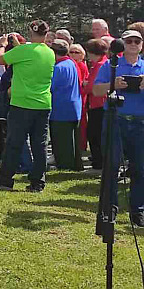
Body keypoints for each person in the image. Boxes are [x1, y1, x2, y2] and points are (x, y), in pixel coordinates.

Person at [0, 20, 55, 192]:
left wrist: (2, 44)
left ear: (31, 32)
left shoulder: (23, 50)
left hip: (22, 103)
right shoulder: (49, 53)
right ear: (46, 34)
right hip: (43, 104)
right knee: (40, 145)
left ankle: (5, 180)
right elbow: (29, 56)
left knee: (14, 143)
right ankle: (38, 182)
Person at [93, 29, 144, 225]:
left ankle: (138, 211)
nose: (132, 44)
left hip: (140, 123)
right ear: (122, 45)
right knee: (111, 166)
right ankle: (109, 208)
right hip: (116, 119)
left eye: (136, 41)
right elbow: (96, 91)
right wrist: (112, 84)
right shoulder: (111, 65)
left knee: (140, 168)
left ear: (141, 45)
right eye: (128, 41)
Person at [48, 39, 83, 171]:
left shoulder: (58, 68)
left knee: (62, 140)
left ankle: (65, 165)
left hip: (61, 109)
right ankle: (76, 164)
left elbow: (50, 86)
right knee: (73, 140)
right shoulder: (71, 63)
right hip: (74, 107)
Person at [82, 38, 109, 168]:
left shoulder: (99, 65)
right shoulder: (103, 63)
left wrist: (84, 84)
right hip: (101, 103)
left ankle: (98, 161)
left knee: (94, 134)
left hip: (98, 104)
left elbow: (90, 86)